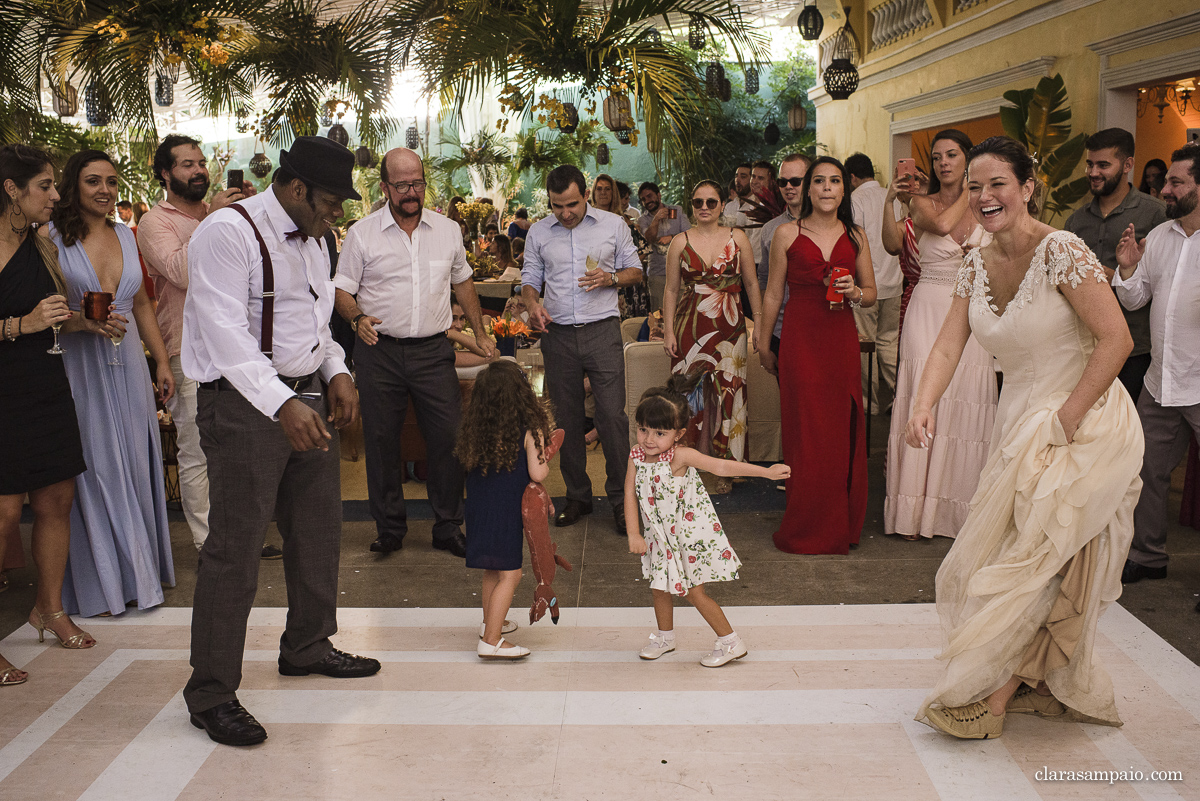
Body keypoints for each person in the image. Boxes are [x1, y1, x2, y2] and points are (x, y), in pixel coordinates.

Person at [905, 135, 1142, 739]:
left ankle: (993, 699)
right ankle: (1040, 684)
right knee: (1017, 554)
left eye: (998, 185)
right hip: (1017, 424)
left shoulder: (1061, 250)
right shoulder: (976, 261)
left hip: (1084, 422)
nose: (985, 197)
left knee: (1040, 561)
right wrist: (923, 404)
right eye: (976, 186)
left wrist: (1066, 420)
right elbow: (949, 342)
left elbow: (1117, 341)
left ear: (1028, 187)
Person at [183, 136, 378, 747]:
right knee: (235, 550)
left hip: (303, 397)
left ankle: (307, 644)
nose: (337, 215)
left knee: (318, 528)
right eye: (329, 202)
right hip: (243, 406)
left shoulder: (317, 237)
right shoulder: (226, 232)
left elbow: (314, 323)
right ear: (295, 189)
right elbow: (224, 335)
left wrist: (336, 371)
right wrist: (283, 401)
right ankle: (211, 693)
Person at [335, 148, 493, 558]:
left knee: (448, 437)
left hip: (432, 351)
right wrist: (357, 319)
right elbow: (342, 291)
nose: (411, 192)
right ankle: (389, 528)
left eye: (417, 183)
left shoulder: (447, 231)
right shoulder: (362, 234)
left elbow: (464, 284)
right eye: (402, 184)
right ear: (385, 187)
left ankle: (447, 525)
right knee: (383, 440)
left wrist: (480, 332)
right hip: (378, 353)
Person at [48, 150, 176, 618]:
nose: (105, 190)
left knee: (136, 466)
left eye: (112, 182)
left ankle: (139, 574)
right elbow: (43, 311)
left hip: (129, 370)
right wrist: (80, 321)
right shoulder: (51, 238)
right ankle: (101, 583)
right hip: (78, 370)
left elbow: (141, 302)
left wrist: (160, 362)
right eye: (93, 181)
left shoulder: (126, 232)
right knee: (96, 469)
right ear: (72, 186)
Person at [0, 144, 97, 684]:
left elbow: (53, 317)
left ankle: (49, 609)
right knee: (5, 516)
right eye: (45, 186)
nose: (56, 195)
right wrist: (23, 325)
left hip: (45, 385)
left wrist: (84, 322)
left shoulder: (44, 246)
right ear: (12, 189)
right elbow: (31, 320)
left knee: (58, 499)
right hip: (2, 395)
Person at [137, 134, 258, 555]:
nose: (198, 170)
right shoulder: (156, 222)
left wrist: (250, 213)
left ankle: (242, 537)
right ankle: (210, 544)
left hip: (238, 345)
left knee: (242, 447)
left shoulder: (220, 212)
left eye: (200, 162)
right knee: (197, 450)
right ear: (166, 173)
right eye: (186, 164)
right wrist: (216, 221)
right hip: (188, 350)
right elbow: (181, 272)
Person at [624, 377, 790, 666]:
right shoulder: (637, 457)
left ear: (678, 434)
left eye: (659, 433)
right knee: (658, 586)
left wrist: (765, 472)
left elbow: (722, 465)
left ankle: (730, 642)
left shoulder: (680, 456)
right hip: (658, 538)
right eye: (643, 430)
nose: (649, 439)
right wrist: (634, 533)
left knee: (693, 592)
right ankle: (666, 637)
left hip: (687, 538)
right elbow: (628, 492)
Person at [759, 156, 876, 555]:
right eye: (820, 181)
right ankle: (807, 526)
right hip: (800, 339)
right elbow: (773, 292)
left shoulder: (856, 234)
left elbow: (872, 293)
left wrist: (854, 293)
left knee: (840, 430)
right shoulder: (787, 234)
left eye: (835, 181)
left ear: (845, 189)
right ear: (808, 189)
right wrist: (762, 342)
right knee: (806, 433)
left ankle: (841, 524)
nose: (827, 188)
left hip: (840, 338)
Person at [884, 130, 997, 541]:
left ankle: (956, 514)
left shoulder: (990, 205)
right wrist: (973, 186)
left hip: (973, 310)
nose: (943, 162)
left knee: (966, 397)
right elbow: (945, 223)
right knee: (922, 395)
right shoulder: (921, 203)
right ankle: (914, 515)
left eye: (952, 155)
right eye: (937, 157)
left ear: (965, 158)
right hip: (928, 306)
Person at [522, 165, 642, 533]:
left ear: (586, 195)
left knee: (612, 417)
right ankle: (578, 496)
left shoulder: (612, 225)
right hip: (557, 335)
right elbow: (529, 279)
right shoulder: (539, 232)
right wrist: (532, 304)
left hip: (603, 331)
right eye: (558, 206)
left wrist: (611, 278)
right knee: (567, 420)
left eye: (572, 204)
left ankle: (623, 503)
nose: (566, 213)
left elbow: (635, 271)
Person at [1112, 142, 1200, 585]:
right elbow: (1135, 298)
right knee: (1145, 470)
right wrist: (1127, 269)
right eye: (1166, 180)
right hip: (1161, 380)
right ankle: (1148, 557)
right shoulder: (1161, 237)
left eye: (1176, 182)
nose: (1164, 189)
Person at [662, 180, 762, 487]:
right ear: (691, 205)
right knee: (688, 394)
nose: (704, 207)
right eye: (698, 202)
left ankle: (728, 468)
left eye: (711, 202)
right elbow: (670, 289)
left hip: (730, 326)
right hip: (690, 325)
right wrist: (668, 330)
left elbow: (752, 284)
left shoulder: (739, 238)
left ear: (722, 204)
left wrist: (758, 323)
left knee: (730, 393)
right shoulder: (680, 241)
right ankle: (689, 464)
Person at [456, 361, 556, 659]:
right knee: (510, 574)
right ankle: (491, 640)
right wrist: (546, 456)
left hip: (478, 508)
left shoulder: (477, 428)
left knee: (493, 568)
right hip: (506, 510)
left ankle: (491, 622)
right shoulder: (530, 429)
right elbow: (538, 473)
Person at [1063, 128, 1167, 403]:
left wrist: (1120, 275)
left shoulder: (1156, 213)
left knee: (1128, 434)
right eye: (1090, 164)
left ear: (1128, 165)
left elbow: (1168, 281)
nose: (1093, 172)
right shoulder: (1075, 221)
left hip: (1134, 348)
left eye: (1103, 165)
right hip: (1083, 346)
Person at [845, 153, 902, 413]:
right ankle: (900, 396)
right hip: (896, 282)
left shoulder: (857, 199)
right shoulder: (893, 197)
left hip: (868, 286)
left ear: (852, 177)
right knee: (890, 343)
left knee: (865, 346)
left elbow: (855, 243)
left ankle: (870, 406)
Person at [757, 154, 810, 376]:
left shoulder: (830, 225)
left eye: (795, 181)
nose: (788, 187)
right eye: (782, 182)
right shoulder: (770, 230)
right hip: (781, 331)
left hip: (817, 329)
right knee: (789, 402)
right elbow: (764, 283)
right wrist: (764, 338)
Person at [594, 173, 651, 318]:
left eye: (607, 189)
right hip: (597, 284)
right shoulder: (586, 220)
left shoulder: (623, 220)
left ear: (613, 193)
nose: (603, 192)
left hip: (623, 284)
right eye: (599, 189)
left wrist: (627, 267)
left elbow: (644, 248)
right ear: (593, 192)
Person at [637, 181, 690, 312]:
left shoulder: (676, 211)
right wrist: (656, 219)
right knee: (659, 316)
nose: (647, 201)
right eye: (643, 199)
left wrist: (672, 237)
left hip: (681, 273)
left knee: (682, 315)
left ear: (659, 195)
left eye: (649, 196)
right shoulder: (643, 220)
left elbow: (689, 234)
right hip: (658, 275)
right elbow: (648, 238)